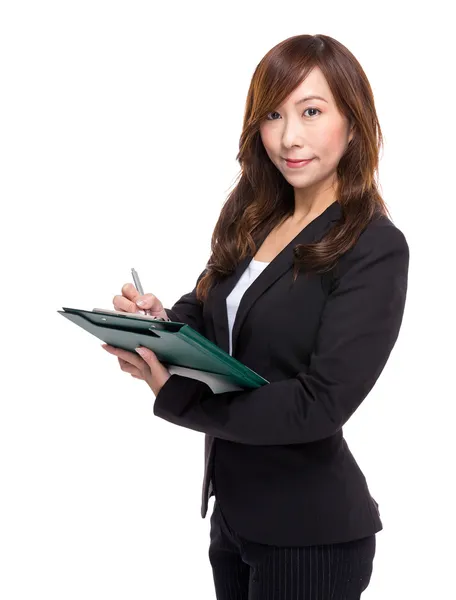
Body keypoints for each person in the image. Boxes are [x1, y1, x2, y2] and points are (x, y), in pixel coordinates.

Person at [103, 33, 409, 599]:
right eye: (272, 114)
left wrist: (178, 395)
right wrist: (158, 325)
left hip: (309, 535)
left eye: (311, 111)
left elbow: (321, 402)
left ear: (354, 121)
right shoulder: (255, 219)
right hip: (236, 518)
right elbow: (209, 317)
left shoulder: (373, 246)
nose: (288, 137)